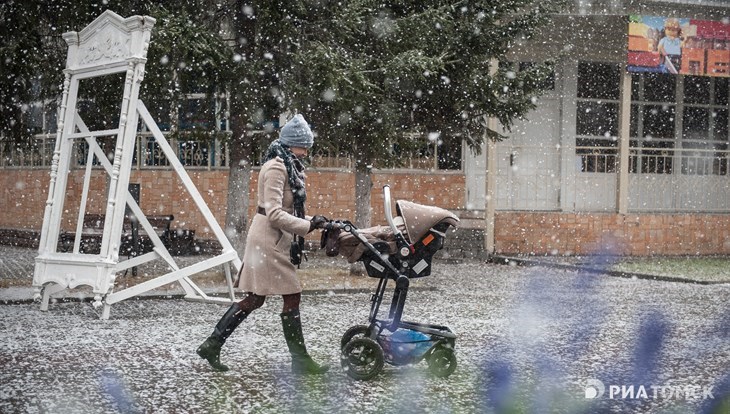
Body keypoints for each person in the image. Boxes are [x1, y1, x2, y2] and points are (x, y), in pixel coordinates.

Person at [196, 114, 329, 374]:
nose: (306, 151)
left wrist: (316, 221)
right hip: (268, 239)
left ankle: (212, 344)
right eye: (304, 146)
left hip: (273, 238)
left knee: (256, 298)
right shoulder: (277, 168)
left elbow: (290, 211)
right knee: (289, 295)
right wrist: (308, 226)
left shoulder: (291, 166)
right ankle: (300, 360)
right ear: (292, 145)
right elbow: (275, 213)